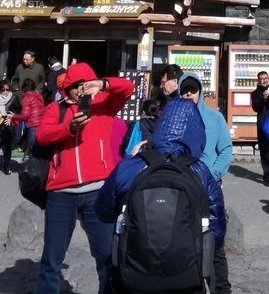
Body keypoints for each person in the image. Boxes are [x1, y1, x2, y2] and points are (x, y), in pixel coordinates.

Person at [94, 98, 226, 294]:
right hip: (186, 276)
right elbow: (217, 233)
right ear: (196, 133)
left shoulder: (129, 166)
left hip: (133, 274)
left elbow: (102, 211)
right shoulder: (201, 171)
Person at [33, 62, 134, 294]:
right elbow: (42, 135)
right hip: (61, 194)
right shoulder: (55, 109)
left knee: (107, 259)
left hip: (98, 192)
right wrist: (67, 127)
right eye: (76, 85)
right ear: (66, 87)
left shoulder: (105, 104)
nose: (81, 89)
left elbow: (128, 88)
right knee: (51, 260)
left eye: (85, 84)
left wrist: (102, 84)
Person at [180, 73, 233, 294]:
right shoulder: (176, 119)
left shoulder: (215, 118)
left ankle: (221, 289)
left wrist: (210, 175)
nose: (189, 94)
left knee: (216, 245)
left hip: (210, 188)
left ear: (200, 91)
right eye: (185, 90)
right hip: (183, 189)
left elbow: (226, 150)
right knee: (187, 243)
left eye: (193, 89)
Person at [0, 79, 20, 175]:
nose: (5, 92)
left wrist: (12, 117)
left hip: (8, 126)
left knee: (7, 149)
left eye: (7, 89)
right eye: (3, 89)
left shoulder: (13, 97)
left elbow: (19, 109)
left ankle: (6, 166)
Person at [10, 78, 45, 155]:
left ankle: (30, 166)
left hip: (33, 125)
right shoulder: (39, 96)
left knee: (30, 150)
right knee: (37, 149)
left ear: (23, 88)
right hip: (41, 123)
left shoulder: (27, 97)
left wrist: (14, 117)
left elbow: (25, 116)